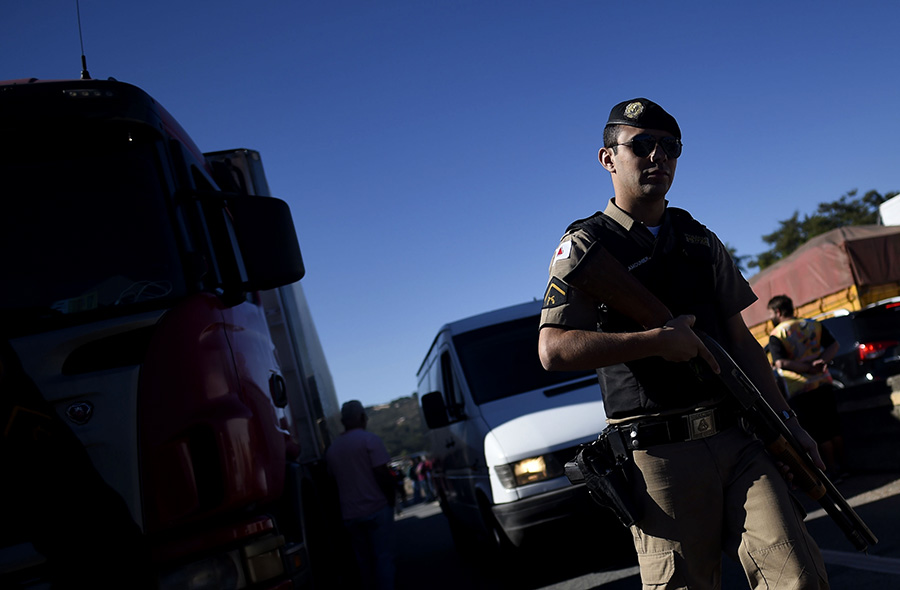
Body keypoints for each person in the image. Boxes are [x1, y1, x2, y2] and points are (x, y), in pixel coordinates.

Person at [538, 98, 829, 589]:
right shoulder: (586, 247)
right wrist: (655, 341)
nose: (658, 157)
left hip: (738, 440)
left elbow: (742, 341)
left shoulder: (698, 239)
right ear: (608, 158)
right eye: (643, 145)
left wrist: (789, 423)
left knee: (797, 575)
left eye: (670, 148)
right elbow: (553, 349)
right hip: (658, 457)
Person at [767, 295, 848, 480]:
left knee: (819, 431)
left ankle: (832, 472)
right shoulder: (813, 324)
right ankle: (845, 467)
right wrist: (821, 362)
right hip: (824, 381)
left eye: (771, 313)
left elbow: (780, 362)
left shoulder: (777, 334)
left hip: (801, 388)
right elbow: (834, 345)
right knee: (834, 426)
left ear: (778, 312)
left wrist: (805, 368)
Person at [325, 400, 396, 590]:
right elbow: (382, 473)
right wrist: (392, 498)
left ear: (343, 421)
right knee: (382, 558)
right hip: (376, 508)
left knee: (363, 562)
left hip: (350, 514)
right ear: (362, 418)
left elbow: (333, 483)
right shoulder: (370, 440)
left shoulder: (332, 450)